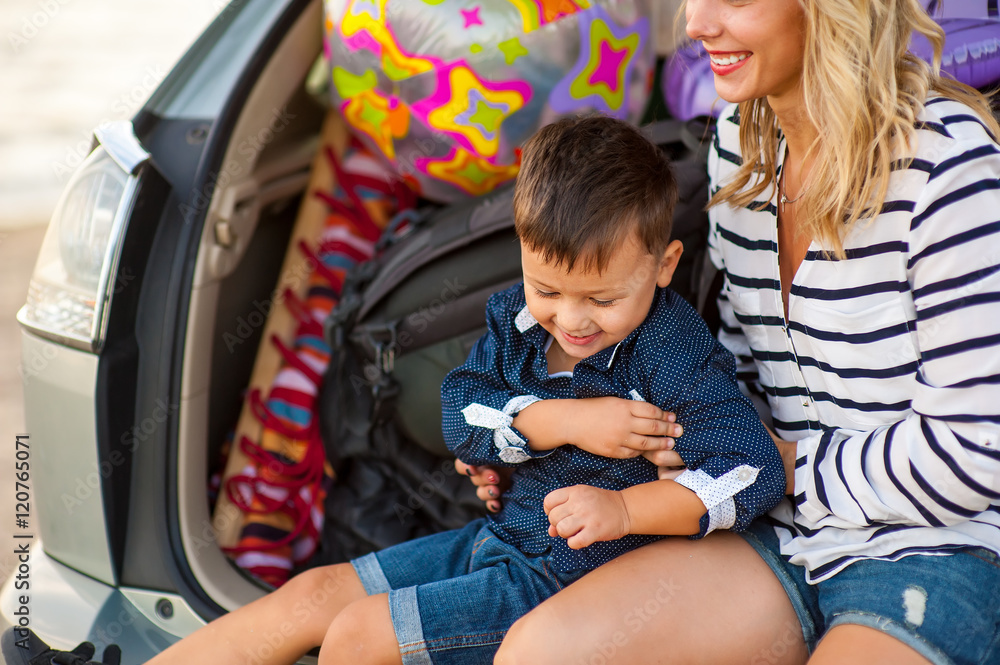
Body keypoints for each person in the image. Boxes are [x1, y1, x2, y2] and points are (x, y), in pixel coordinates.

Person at [2, 116, 785, 664]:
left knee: (356, 638)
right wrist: (561, 419)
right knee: (310, 596)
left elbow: (750, 467)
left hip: (567, 581)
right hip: (499, 544)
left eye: (601, 300)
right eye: (548, 288)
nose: (570, 320)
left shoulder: (674, 352)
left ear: (664, 263)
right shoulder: (517, 317)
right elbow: (463, 411)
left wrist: (625, 508)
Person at [467, 1, 1000, 664]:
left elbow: (976, 450)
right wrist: (547, 445)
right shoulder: (737, 149)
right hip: (770, 528)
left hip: (935, 546)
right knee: (542, 653)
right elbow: (737, 377)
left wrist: (787, 466)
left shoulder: (947, 165)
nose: (695, 24)